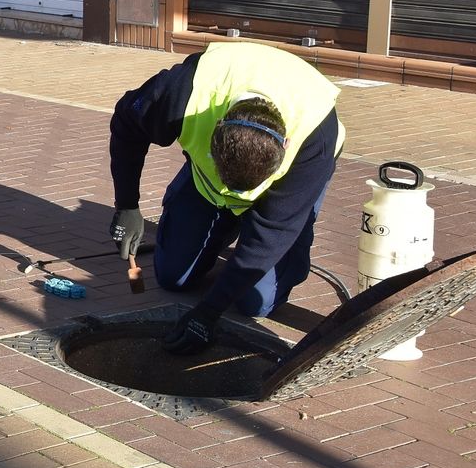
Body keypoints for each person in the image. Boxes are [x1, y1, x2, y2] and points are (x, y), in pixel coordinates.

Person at [107, 41, 344, 354]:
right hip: (208, 184)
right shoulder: (183, 93)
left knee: (256, 302)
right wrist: (127, 205)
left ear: (284, 145)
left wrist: (208, 313)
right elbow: (127, 123)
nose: (240, 195)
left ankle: (281, 252)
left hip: (284, 194)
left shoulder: (314, 137)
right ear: (216, 134)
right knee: (173, 279)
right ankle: (219, 226)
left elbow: (272, 234)